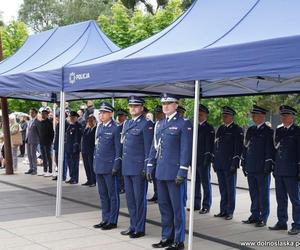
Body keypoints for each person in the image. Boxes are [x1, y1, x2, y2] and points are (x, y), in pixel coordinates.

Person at [147, 93, 192, 250]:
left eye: (169, 103)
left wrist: (183, 171)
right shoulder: (159, 124)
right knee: (164, 207)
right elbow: (155, 147)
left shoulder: (183, 123)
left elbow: (186, 149)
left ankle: (178, 240)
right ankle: (166, 237)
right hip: (161, 171)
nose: (165, 106)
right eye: (163, 103)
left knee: (177, 208)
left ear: (176, 105)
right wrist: (149, 166)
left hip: (174, 172)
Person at [120, 96, 153, 239]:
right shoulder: (127, 123)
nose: (133, 108)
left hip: (138, 168)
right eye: (131, 106)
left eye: (136, 106)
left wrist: (147, 167)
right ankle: (132, 225)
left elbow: (148, 149)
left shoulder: (146, 124)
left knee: (139, 199)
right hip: (127, 166)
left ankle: (139, 228)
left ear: (141, 108)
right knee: (130, 200)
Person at [269, 105, 300, 235]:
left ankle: (297, 224)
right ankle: (282, 222)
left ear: (292, 117)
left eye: (286, 115)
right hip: (279, 170)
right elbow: (275, 150)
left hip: (292, 171)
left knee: (295, 199)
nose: (283, 117)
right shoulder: (280, 130)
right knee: (280, 198)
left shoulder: (297, 131)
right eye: (282, 115)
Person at [241, 105, 274, 227]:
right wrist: (243, 162)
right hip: (251, 166)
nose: (253, 117)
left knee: (263, 194)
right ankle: (254, 215)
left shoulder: (268, 131)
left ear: (262, 116)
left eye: (255, 115)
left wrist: (268, 165)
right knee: (253, 193)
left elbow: (270, 150)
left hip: (261, 168)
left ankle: (263, 217)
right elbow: (246, 147)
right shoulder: (251, 130)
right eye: (253, 115)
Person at [93, 102, 122, 230]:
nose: (101, 115)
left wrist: (116, 165)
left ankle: (112, 220)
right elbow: (97, 146)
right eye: (100, 112)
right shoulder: (100, 127)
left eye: (104, 112)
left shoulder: (115, 128)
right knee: (103, 194)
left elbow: (118, 149)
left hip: (110, 167)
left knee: (112, 195)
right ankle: (105, 218)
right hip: (99, 165)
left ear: (110, 114)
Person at [213, 106, 243, 220]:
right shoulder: (220, 129)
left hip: (229, 164)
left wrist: (235, 163)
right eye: (223, 116)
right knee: (222, 188)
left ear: (232, 117)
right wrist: (215, 161)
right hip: (220, 163)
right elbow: (216, 146)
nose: (224, 118)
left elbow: (238, 148)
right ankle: (223, 210)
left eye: (226, 116)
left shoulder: (237, 129)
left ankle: (230, 211)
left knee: (230, 189)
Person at [192, 104, 214, 214]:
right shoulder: (194, 126)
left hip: (203, 160)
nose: (199, 115)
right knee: (195, 183)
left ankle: (206, 205)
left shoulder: (209, 128)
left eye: (201, 114)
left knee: (205, 183)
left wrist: (207, 158)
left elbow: (209, 145)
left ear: (205, 115)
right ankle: (196, 204)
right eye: (198, 114)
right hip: (194, 159)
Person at [147, 105, 165, 203]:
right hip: (154, 155)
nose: (157, 115)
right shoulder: (155, 124)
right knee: (154, 177)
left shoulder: (164, 124)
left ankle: (160, 196)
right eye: (156, 113)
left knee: (160, 179)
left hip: (162, 155)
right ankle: (156, 193)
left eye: (159, 113)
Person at [65, 111, 82, 184]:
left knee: (75, 164)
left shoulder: (78, 126)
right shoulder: (70, 125)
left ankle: (75, 178)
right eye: (70, 117)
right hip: (69, 147)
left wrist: (76, 146)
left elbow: (77, 138)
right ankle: (72, 177)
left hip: (74, 148)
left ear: (76, 118)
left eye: (73, 117)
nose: (71, 118)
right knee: (70, 163)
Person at [115, 109, 128, 193]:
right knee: (118, 172)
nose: (119, 117)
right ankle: (120, 186)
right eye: (119, 115)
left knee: (122, 172)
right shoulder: (118, 127)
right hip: (118, 153)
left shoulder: (127, 126)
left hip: (125, 153)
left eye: (121, 115)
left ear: (125, 117)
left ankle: (123, 187)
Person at [81, 115, 97, 187]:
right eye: (88, 121)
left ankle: (93, 181)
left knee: (91, 166)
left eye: (91, 121)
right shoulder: (87, 129)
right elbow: (83, 139)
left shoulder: (95, 129)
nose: (89, 122)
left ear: (94, 121)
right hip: (85, 150)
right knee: (86, 166)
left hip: (91, 150)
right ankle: (89, 180)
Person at [38, 109, 54, 177]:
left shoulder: (49, 122)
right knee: (43, 156)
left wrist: (50, 141)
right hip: (41, 141)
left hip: (47, 142)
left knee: (48, 156)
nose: (42, 115)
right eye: (42, 114)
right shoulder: (41, 122)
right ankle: (45, 170)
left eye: (44, 114)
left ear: (47, 115)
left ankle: (50, 171)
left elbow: (52, 133)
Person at [25, 108, 40, 175]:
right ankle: (31, 168)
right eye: (30, 112)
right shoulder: (29, 121)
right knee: (29, 155)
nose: (31, 114)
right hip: (28, 139)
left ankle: (35, 169)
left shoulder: (37, 122)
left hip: (34, 140)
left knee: (33, 155)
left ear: (36, 113)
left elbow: (39, 132)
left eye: (33, 112)